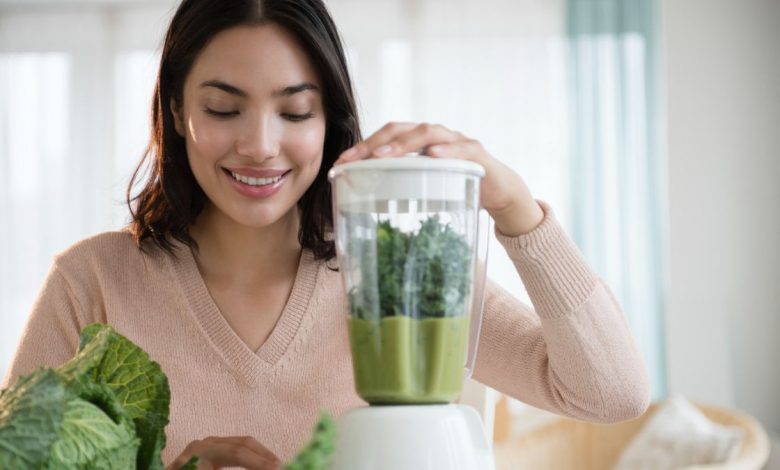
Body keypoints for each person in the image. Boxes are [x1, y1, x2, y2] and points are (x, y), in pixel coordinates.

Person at [2, 0, 650, 468]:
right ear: (176, 111)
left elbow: (611, 393)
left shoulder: (397, 275)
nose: (259, 145)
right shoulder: (92, 284)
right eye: (223, 108)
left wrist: (514, 209)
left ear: (329, 120)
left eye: (295, 110)